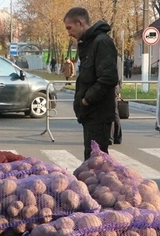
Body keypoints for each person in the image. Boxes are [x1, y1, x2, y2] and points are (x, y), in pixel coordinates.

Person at [63, 7, 119, 160]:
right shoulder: (89, 43)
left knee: (96, 163)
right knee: (92, 160)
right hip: (91, 115)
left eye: (69, 27)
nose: (69, 33)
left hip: (98, 114)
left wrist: (87, 99)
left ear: (80, 23)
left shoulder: (101, 42)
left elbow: (108, 78)